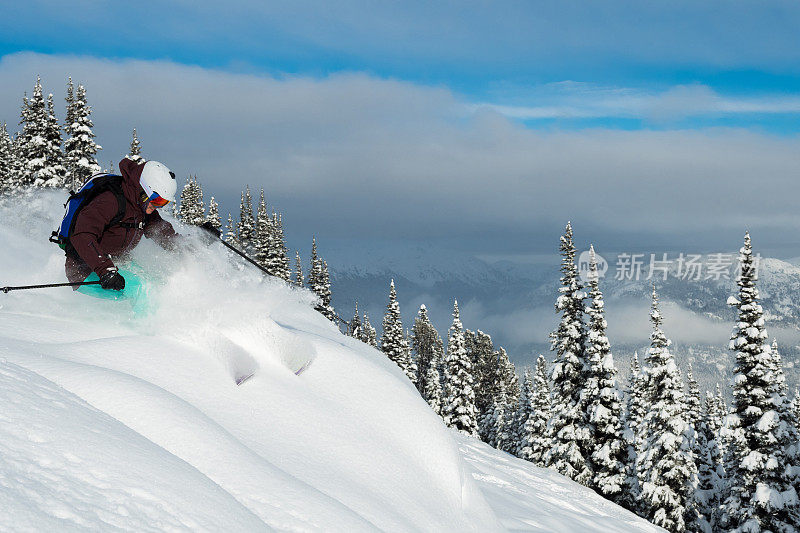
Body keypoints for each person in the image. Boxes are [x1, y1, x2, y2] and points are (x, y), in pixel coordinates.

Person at [64, 158, 179, 290]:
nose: (157, 206)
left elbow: (164, 235)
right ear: (144, 189)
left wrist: (197, 242)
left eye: (163, 203)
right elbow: (82, 235)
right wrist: (106, 271)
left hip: (115, 266)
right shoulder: (110, 201)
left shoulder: (142, 209)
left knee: (159, 282)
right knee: (143, 290)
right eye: (157, 200)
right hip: (85, 271)